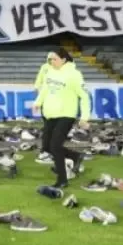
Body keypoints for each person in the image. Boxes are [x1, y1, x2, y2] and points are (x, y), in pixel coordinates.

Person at [33, 49, 90, 188]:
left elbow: (84, 96)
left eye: (55, 59)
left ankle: (62, 179)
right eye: (50, 60)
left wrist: (84, 117)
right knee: (46, 146)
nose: (51, 62)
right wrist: (38, 103)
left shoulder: (74, 75)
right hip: (50, 114)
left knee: (55, 146)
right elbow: (45, 89)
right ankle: (76, 156)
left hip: (66, 114)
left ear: (64, 59)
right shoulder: (50, 72)